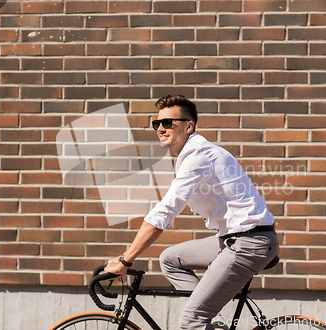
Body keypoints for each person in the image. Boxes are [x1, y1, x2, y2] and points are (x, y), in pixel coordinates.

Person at [104, 95, 279, 330]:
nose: (161, 128)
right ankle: (209, 323)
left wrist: (126, 260)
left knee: (191, 321)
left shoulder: (198, 155)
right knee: (170, 259)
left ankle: (200, 321)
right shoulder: (190, 155)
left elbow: (165, 211)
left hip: (249, 242)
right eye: (157, 123)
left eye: (169, 123)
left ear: (189, 126)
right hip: (235, 238)